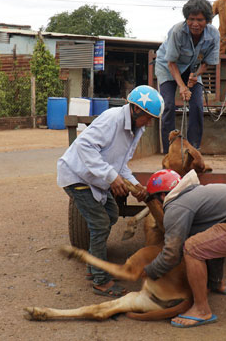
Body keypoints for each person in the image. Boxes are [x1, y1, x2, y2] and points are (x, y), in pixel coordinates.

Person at [57, 85, 165, 296]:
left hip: (94, 179)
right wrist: (111, 176)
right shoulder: (112, 118)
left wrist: (135, 185)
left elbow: (121, 164)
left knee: (111, 215)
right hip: (77, 175)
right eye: (148, 117)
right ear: (135, 110)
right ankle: (100, 279)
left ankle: (93, 265)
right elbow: (84, 146)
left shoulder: (137, 129)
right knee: (99, 224)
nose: (150, 123)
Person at [142, 169, 226, 328]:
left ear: (162, 196)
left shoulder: (176, 206)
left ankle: (201, 310)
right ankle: (215, 283)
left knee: (192, 248)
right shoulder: (195, 193)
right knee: (206, 239)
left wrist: (148, 272)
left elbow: (171, 254)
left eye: (155, 200)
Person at [155, 0, 220, 154]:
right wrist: (183, 87)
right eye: (191, 19)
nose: (195, 24)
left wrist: (195, 75)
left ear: (207, 21)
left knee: (197, 105)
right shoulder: (178, 31)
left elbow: (207, 62)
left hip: (192, 69)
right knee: (168, 105)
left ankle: (193, 148)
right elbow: (171, 63)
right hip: (168, 68)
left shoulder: (214, 35)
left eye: (200, 20)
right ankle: (170, 150)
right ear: (186, 19)